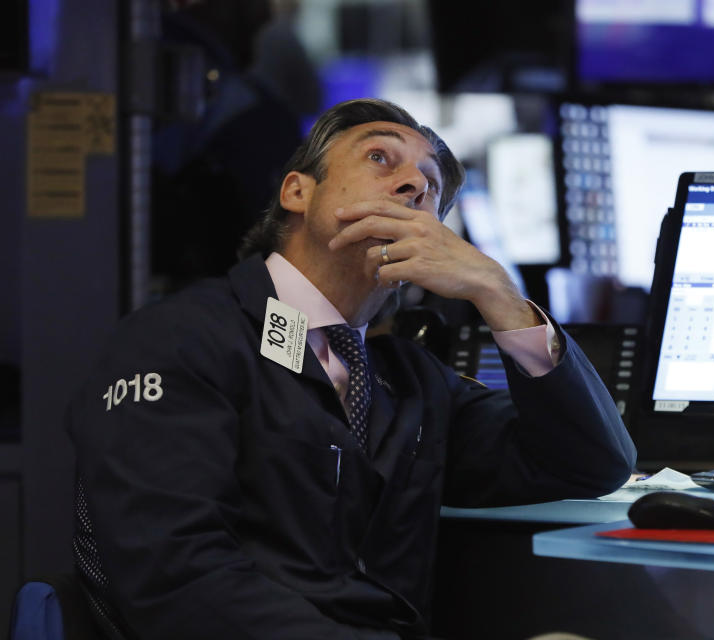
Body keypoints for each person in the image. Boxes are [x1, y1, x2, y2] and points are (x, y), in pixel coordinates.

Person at [67, 98, 636, 640]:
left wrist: (499, 294)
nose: (414, 185)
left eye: (431, 187)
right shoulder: (184, 338)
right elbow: (178, 580)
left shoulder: (409, 382)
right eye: (379, 158)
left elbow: (590, 463)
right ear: (297, 191)